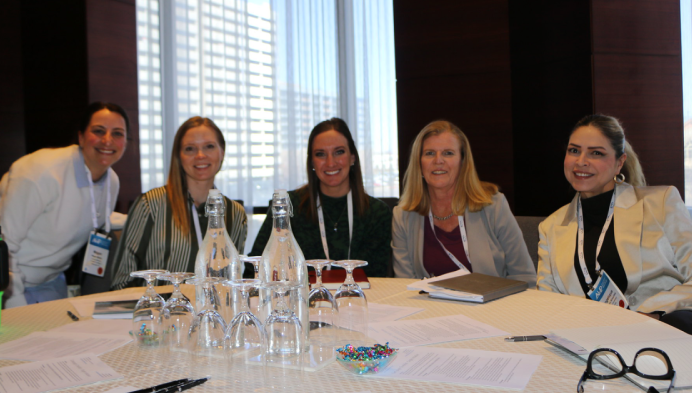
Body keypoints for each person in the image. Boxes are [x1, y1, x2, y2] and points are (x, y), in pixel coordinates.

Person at [537, 114, 692, 353]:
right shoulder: (551, 227)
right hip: (598, 342)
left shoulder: (660, 203)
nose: (581, 161)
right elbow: (549, 303)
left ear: (619, 163)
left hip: (672, 328)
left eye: (596, 153)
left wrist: (650, 313)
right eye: (574, 150)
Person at [0, 102, 129, 307]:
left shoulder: (111, 181)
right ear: (81, 137)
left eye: (117, 133)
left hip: (46, 281)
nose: (108, 140)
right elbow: (4, 242)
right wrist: (15, 303)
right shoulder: (42, 171)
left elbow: (89, 214)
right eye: (98, 131)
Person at [392, 120, 536, 285]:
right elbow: (404, 285)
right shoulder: (403, 216)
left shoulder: (493, 206)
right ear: (419, 162)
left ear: (462, 161)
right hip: (433, 308)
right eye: (430, 153)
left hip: (492, 306)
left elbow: (525, 277)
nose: (438, 160)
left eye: (448, 153)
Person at [111, 116, 246, 290]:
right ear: (179, 156)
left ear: (222, 152)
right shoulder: (150, 204)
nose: (200, 155)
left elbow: (233, 280)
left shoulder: (235, 214)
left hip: (215, 314)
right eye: (190, 149)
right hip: (159, 313)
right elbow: (122, 281)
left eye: (209, 146)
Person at [248, 118, 392, 277]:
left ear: (352, 157)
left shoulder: (377, 213)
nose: (330, 163)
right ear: (311, 162)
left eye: (339, 152)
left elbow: (379, 276)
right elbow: (254, 268)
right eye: (320, 154)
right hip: (302, 299)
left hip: (360, 300)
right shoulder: (287, 206)